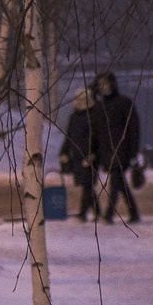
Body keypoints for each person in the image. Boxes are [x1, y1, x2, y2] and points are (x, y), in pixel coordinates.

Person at [87, 71, 141, 223]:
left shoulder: (124, 103)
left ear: (112, 84)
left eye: (105, 83)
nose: (103, 87)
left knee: (115, 182)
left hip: (121, 150)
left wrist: (132, 151)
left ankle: (109, 214)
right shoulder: (99, 107)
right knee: (120, 183)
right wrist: (93, 151)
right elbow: (95, 132)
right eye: (100, 84)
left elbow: (133, 129)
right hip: (106, 150)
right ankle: (134, 213)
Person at [60, 88, 98, 221]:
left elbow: (97, 137)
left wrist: (93, 154)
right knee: (86, 184)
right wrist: (64, 152)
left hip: (90, 156)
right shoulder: (74, 116)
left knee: (87, 184)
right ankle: (97, 211)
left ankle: (83, 213)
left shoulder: (93, 115)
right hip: (77, 155)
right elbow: (69, 136)